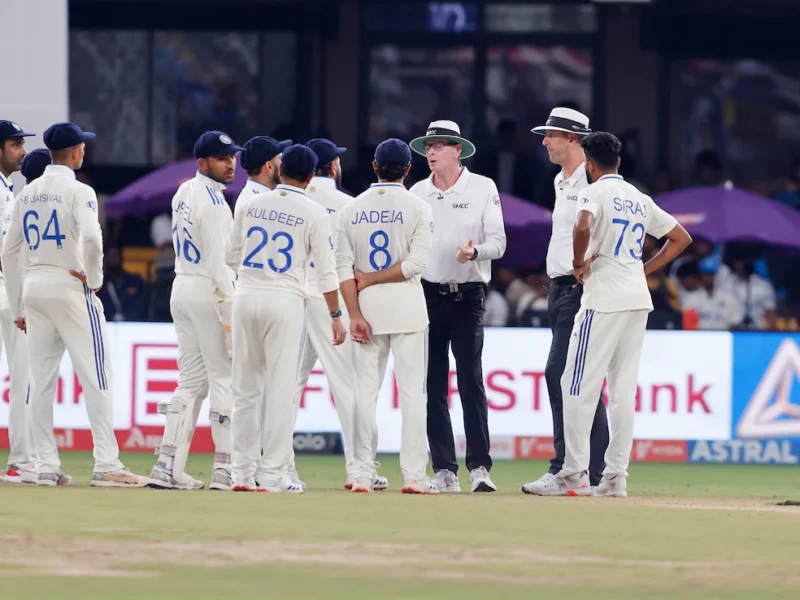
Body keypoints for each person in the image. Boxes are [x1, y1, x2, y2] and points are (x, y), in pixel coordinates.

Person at [523, 132, 691, 497]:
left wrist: (578, 264)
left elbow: (582, 225)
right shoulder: (639, 197)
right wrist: (644, 269)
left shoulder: (593, 191)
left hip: (603, 300)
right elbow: (680, 238)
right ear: (620, 162)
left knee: (575, 383)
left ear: (590, 164)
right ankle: (616, 478)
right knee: (622, 393)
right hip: (637, 299)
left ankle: (572, 474)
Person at [2, 122, 147, 487]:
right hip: (69, 283)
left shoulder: (27, 192)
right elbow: (94, 238)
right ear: (76, 152)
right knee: (97, 374)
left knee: (40, 380)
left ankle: (47, 465)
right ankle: (106, 463)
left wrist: (19, 304)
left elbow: (9, 252)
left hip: (34, 286)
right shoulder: (79, 190)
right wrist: (95, 279)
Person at [227, 144, 346, 493]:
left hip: (246, 296)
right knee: (280, 390)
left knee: (245, 391)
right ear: (311, 178)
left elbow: (230, 254)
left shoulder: (250, 204)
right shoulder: (313, 211)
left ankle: (241, 474)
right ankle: (273, 474)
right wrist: (336, 315)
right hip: (286, 301)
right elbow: (326, 274)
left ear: (279, 171)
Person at [277, 137, 387, 491]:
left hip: (292, 296)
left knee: (286, 387)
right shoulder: (349, 205)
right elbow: (358, 262)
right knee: (348, 386)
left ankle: (280, 468)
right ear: (332, 167)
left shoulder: (289, 202)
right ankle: (360, 469)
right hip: (332, 301)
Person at [409, 120, 506, 493]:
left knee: (470, 381)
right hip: (427, 295)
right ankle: (444, 470)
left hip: (467, 295)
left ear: (458, 150)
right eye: (428, 146)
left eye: (439, 145)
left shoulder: (482, 187)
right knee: (432, 384)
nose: (430, 151)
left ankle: (480, 467)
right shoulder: (418, 192)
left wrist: (475, 252)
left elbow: (499, 242)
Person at [337, 138, 437, 494]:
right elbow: (417, 265)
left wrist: (353, 312)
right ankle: (414, 476)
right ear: (409, 169)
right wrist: (377, 277)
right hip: (407, 308)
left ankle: (362, 473)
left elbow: (343, 269)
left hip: (366, 310)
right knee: (413, 396)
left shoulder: (350, 209)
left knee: (364, 394)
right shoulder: (419, 207)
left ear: (375, 168)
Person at [146, 130, 243, 491]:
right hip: (208, 289)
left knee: (190, 380)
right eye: (222, 158)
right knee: (223, 377)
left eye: (232, 156)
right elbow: (220, 265)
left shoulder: (184, 191)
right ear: (203, 163)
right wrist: (229, 306)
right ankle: (224, 469)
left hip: (182, 287)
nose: (231, 163)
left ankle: (167, 464)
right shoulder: (215, 204)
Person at [523, 107, 609, 491]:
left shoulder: (592, 181)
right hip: (559, 289)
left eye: (551, 135)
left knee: (562, 374)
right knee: (578, 379)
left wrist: (583, 267)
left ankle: (568, 468)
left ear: (573, 139)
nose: (545, 141)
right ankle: (593, 472)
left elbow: (598, 230)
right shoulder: (561, 181)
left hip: (579, 289)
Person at [0, 120, 37, 484]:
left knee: (24, 378)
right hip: (8, 292)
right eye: (14, 144)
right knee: (24, 379)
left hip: (8, 288)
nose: (22, 151)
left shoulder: (8, 188)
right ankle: (22, 461)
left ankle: (23, 458)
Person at [234, 136, 291, 218]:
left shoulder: (251, 196)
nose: (283, 164)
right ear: (269, 166)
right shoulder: (262, 203)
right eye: (280, 159)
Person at [95, 247, 148, 322]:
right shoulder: (99, 285)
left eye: (115, 256)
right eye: (109, 257)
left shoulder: (135, 281)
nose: (113, 259)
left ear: (121, 257)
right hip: (107, 324)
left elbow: (143, 305)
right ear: (104, 259)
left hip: (134, 324)